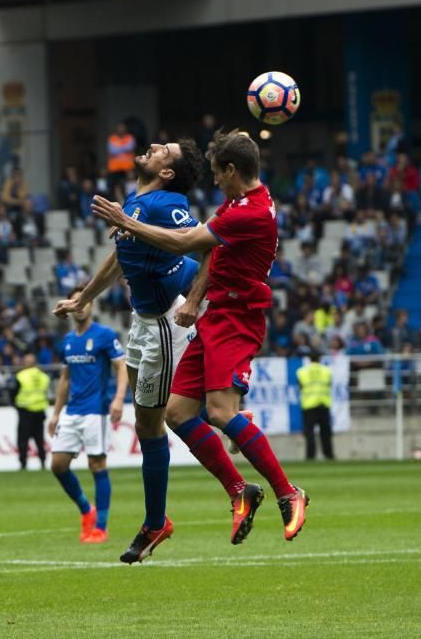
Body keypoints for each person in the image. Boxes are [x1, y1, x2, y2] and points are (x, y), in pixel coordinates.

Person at [92, 129, 309, 563]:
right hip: (213, 313)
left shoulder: (248, 214)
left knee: (221, 412)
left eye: (218, 173)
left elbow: (190, 243)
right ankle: (239, 490)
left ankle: (288, 492)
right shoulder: (239, 200)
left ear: (232, 171)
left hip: (237, 318)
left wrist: (126, 222)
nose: (214, 182)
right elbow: (216, 256)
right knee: (176, 413)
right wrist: (194, 298)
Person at [52, 136, 207, 559]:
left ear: (167, 172)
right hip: (143, 322)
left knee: (155, 425)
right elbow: (121, 255)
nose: (154, 145)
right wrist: (85, 296)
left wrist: (193, 298)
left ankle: (156, 522)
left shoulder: (165, 202)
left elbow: (196, 240)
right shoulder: (136, 203)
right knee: (148, 425)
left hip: (163, 323)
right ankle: (216, 408)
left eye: (163, 150)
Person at [48, 287, 128, 544]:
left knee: (97, 465)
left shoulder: (104, 335)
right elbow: (65, 378)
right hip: (72, 411)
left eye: (84, 300)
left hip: (97, 412)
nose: (80, 305)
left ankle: (100, 528)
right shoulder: (69, 341)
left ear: (92, 305)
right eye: (74, 301)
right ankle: (86, 510)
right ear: (69, 306)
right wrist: (56, 413)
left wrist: (118, 399)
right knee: (58, 465)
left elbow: (121, 367)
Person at [13, 352, 50, 471]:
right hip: (40, 411)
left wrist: (16, 405)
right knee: (39, 440)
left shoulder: (21, 375)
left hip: (25, 411)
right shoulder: (44, 376)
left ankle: (23, 464)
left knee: (23, 440)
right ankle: (43, 462)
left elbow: (13, 393)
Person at [296, 351, 333, 460]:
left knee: (309, 433)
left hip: (308, 405)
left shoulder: (302, 371)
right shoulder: (327, 371)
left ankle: (310, 456)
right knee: (325, 432)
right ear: (320, 358)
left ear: (309, 359)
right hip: (323, 403)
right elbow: (329, 384)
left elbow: (301, 386)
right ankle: (329, 455)